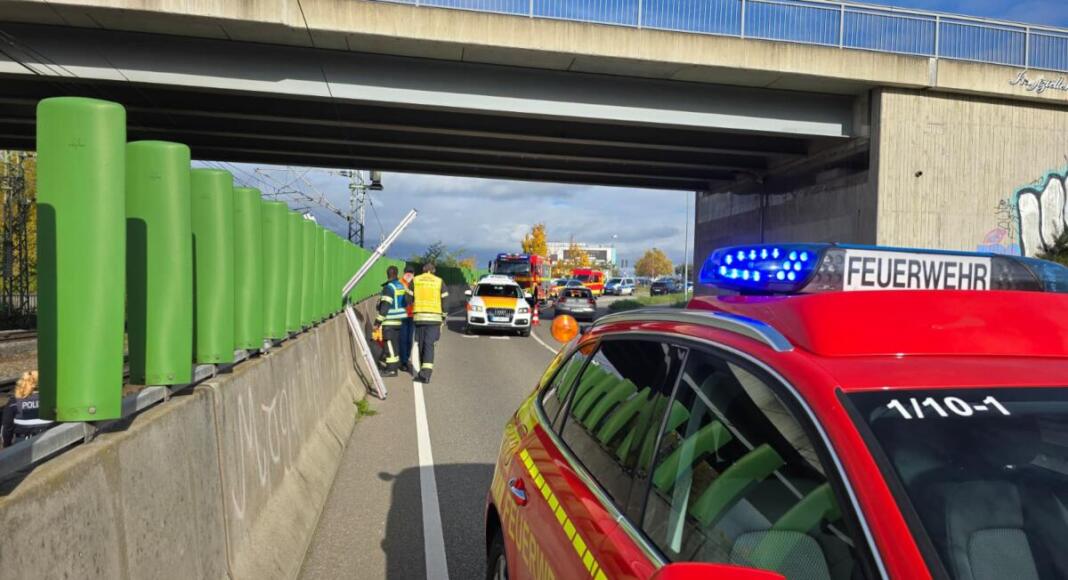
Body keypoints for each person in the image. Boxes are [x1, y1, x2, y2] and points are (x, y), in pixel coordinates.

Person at [411, 262, 448, 384]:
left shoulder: (416, 280)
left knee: (421, 344)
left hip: (420, 318)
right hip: (435, 319)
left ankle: (423, 372)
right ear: (434, 271)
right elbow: (445, 301)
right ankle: (426, 374)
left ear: (423, 269)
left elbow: (408, 299)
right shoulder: (439, 281)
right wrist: (444, 316)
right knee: (429, 345)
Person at [1, 370, 53, 447]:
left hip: (22, 443)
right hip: (49, 440)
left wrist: (7, 445)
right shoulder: (52, 400)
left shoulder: (14, 402)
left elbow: (7, 428)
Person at [373, 265, 409, 378]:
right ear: (396, 274)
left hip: (389, 320)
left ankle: (391, 370)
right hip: (399, 320)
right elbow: (406, 302)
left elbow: (385, 307)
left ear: (387, 274)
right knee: (395, 345)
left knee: (389, 346)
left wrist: (377, 322)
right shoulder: (401, 286)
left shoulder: (389, 288)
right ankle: (394, 367)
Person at [399, 265, 416, 374]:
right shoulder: (400, 283)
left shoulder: (416, 283)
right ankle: (404, 361)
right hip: (402, 315)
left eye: (411, 272)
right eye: (407, 272)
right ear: (404, 273)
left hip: (412, 315)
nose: (409, 274)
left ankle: (406, 358)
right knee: (403, 339)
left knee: (409, 339)